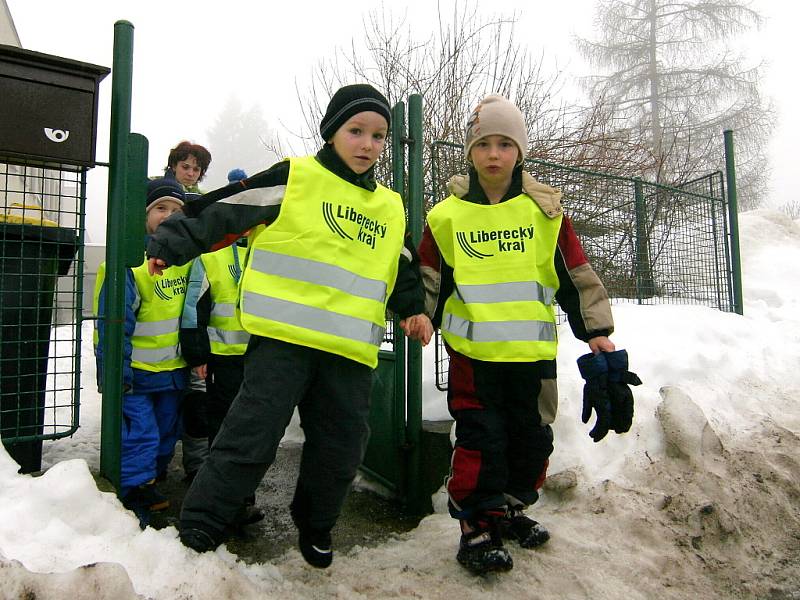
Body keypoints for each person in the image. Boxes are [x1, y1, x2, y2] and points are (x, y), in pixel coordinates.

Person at [145, 84, 433, 567]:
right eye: (356, 131)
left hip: (348, 355)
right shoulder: (296, 177)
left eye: (379, 136)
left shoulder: (389, 206)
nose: (368, 144)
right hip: (282, 343)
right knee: (249, 437)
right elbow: (225, 209)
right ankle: (203, 523)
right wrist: (172, 241)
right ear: (332, 132)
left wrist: (413, 307)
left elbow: (402, 263)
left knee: (341, 450)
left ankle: (316, 526)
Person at [414, 94, 635, 575]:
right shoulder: (447, 216)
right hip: (475, 357)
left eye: (504, 144)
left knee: (531, 439)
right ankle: (476, 524)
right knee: (481, 440)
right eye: (484, 144)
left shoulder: (546, 212)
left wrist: (596, 332)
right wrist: (421, 313)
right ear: (470, 152)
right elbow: (430, 276)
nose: (494, 154)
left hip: (533, 357)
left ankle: (510, 509)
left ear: (520, 151)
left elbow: (576, 275)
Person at [94, 177, 190, 528]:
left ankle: (149, 481)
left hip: (171, 371)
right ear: (143, 215)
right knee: (142, 435)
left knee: (166, 434)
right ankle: (132, 496)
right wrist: (116, 373)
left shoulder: (186, 259)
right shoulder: (129, 264)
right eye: (160, 208)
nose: (168, 216)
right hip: (134, 372)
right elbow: (115, 326)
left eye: (176, 210)